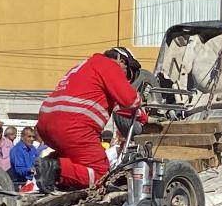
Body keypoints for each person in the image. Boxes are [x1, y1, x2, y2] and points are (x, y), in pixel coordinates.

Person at [35, 47, 145, 192]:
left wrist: (143, 117)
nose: (126, 80)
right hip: (73, 126)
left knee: (77, 162)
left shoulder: (84, 66)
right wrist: (141, 100)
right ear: (122, 61)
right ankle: (54, 168)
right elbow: (130, 100)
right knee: (100, 173)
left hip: (46, 122)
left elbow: (120, 109)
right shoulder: (110, 65)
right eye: (128, 75)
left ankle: (52, 166)